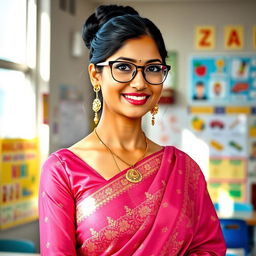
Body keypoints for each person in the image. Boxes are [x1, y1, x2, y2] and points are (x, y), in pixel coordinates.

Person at [39, 4, 226, 255]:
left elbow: (209, 248)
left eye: (152, 68)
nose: (139, 83)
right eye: (124, 67)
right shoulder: (63, 171)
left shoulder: (182, 168)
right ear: (96, 75)